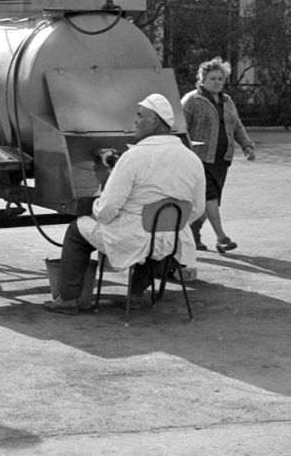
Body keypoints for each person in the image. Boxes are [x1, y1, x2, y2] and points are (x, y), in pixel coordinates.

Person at [44, 94, 206, 315]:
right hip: (171, 238)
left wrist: (95, 210)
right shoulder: (192, 159)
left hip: (132, 237)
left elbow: (107, 209)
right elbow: (198, 208)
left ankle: (68, 299)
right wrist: (173, 224)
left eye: (141, 116)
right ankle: (137, 293)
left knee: (77, 230)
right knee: (158, 240)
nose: (135, 121)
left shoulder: (134, 157)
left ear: (157, 121)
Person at [182, 57, 255, 254]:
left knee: (208, 202)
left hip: (222, 158)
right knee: (209, 198)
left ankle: (193, 236)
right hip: (199, 158)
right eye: (213, 78)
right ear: (202, 79)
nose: (217, 82)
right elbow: (180, 128)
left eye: (220, 79)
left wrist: (246, 145)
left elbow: (237, 125)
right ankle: (221, 237)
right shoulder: (192, 100)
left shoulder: (227, 100)